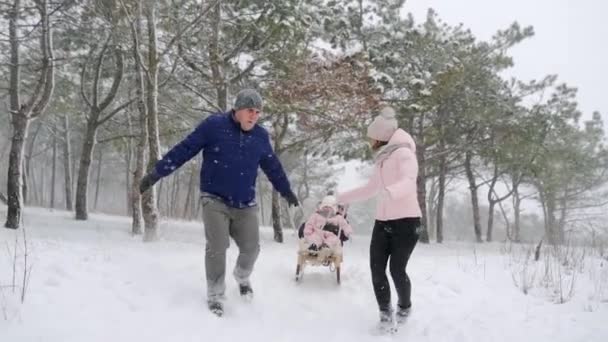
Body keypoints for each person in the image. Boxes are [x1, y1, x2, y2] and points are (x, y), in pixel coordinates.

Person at [139, 89, 299, 317]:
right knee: (217, 247)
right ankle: (215, 294)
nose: (253, 116)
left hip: (246, 203)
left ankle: (242, 277)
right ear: (237, 109)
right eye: (249, 110)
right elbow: (184, 149)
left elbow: (273, 168)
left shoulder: (261, 137)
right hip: (214, 199)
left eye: (257, 112)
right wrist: (156, 174)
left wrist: (287, 192)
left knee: (251, 248)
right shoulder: (214, 126)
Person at [336, 106, 422, 329]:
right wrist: (343, 197)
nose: (369, 142)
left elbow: (408, 180)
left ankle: (404, 306)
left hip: (406, 221)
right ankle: (385, 313)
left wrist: (391, 191)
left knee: (396, 269)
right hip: (383, 222)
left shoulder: (404, 153)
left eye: (371, 137)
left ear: (381, 137)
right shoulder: (383, 158)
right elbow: (370, 188)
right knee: (376, 268)